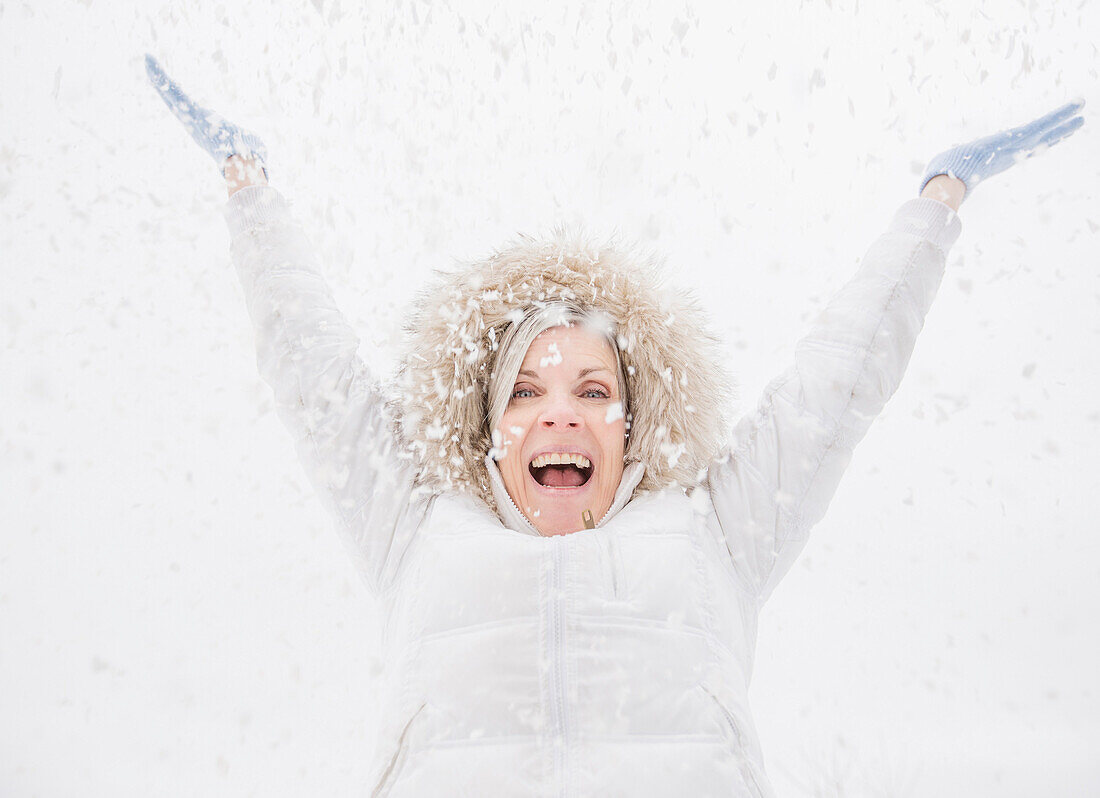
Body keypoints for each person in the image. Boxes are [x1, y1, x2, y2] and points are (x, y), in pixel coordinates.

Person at [145, 55, 1083, 797]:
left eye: (594, 390)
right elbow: (311, 372)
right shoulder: (418, 529)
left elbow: (835, 385)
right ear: (488, 431)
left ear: (635, 426)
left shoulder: (715, 531)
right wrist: (249, 190)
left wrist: (936, 203)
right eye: (525, 392)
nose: (560, 410)